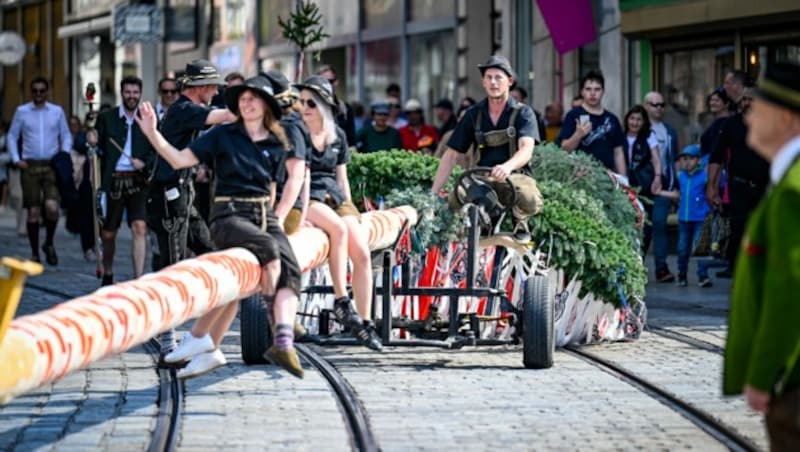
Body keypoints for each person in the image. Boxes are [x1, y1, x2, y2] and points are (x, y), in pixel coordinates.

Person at [137, 75, 305, 379]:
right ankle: (269, 325)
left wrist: (276, 217)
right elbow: (178, 159)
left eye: (254, 99)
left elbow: (274, 185)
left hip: (262, 214)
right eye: (243, 100)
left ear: (267, 105)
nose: (247, 104)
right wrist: (152, 133)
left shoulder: (277, 140)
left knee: (288, 267)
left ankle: (213, 344)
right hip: (228, 215)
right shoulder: (223, 135)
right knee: (266, 251)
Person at [723, 60, 800, 451]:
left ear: (786, 117)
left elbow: (789, 292)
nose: (749, 116)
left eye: (760, 108)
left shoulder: (792, 190)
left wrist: (766, 374)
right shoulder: (785, 179)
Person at [150, 59, 235, 360]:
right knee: (172, 268)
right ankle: (167, 341)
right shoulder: (185, 110)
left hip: (183, 194)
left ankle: (199, 332)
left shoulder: (188, 111)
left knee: (212, 255)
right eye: (213, 86)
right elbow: (222, 115)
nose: (215, 91)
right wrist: (255, 106)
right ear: (199, 88)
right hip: (167, 198)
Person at [296, 75, 383, 351]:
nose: (305, 107)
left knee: (362, 253)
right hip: (309, 195)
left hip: (335, 194)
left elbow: (342, 177)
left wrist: (349, 205)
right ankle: (342, 300)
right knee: (339, 229)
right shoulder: (296, 132)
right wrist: (300, 214)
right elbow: (298, 178)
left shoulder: (338, 135)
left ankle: (365, 324)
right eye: (301, 102)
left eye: (311, 102)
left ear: (325, 105)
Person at [431, 54, 543, 242]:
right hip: (482, 179)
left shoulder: (523, 112)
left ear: (510, 81)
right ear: (483, 82)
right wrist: (433, 194)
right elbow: (450, 155)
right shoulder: (474, 114)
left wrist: (507, 167)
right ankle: (457, 233)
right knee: (454, 199)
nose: (493, 82)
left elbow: (526, 149)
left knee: (530, 198)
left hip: (514, 177)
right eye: (489, 77)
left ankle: (520, 218)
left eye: (498, 77)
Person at [87, 76, 154, 285]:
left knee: (140, 227)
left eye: (135, 92)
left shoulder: (148, 118)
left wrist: (144, 163)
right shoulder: (107, 118)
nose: (131, 96)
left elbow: (157, 148)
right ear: (121, 93)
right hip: (113, 181)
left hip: (139, 181)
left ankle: (139, 280)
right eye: (128, 92)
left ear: (140, 93)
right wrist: (92, 139)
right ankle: (107, 273)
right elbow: (93, 146)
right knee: (108, 234)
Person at [7, 76, 73, 264]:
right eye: (35, 91)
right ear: (31, 92)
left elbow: (66, 135)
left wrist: (64, 155)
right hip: (30, 166)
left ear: (47, 92)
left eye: (41, 91)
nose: (38, 94)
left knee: (52, 208)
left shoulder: (56, 111)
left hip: (51, 165)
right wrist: (16, 159)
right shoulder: (22, 112)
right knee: (33, 212)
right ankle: (35, 253)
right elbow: (12, 136)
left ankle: (49, 243)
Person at [708, 84, 769, 279]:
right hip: (739, 185)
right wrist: (712, 188)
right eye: (743, 99)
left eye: (751, 99)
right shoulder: (730, 125)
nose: (746, 103)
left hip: (764, 186)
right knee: (739, 228)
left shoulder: (768, 124)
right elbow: (716, 158)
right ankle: (735, 266)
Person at [556, 70, 626, 174]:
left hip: (608, 177)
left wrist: (623, 180)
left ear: (603, 91)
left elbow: (618, 152)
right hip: (582, 177)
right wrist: (578, 135)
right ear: (582, 92)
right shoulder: (573, 115)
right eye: (588, 89)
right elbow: (564, 149)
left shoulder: (612, 119)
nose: (593, 93)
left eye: (597, 89)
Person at [644, 90, 681, 283]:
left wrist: (677, 186)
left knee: (659, 224)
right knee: (643, 228)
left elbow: (674, 160)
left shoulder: (669, 131)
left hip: (663, 186)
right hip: (642, 184)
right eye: (654, 104)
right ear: (646, 106)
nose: (659, 108)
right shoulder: (639, 128)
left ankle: (661, 267)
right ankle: (638, 265)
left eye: (661, 105)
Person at [622, 105, 662, 255]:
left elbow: (657, 159)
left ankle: (641, 256)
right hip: (624, 186)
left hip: (644, 186)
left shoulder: (649, 136)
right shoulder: (620, 135)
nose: (635, 122)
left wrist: (657, 177)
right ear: (627, 120)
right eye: (632, 118)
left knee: (645, 223)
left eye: (639, 119)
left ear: (644, 122)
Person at [671, 144, 709, 287]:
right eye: (684, 159)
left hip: (700, 218)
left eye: (691, 158)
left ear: (698, 160)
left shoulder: (704, 177)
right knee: (682, 248)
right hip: (684, 218)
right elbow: (677, 194)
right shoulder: (680, 176)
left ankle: (703, 275)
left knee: (699, 248)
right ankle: (682, 274)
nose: (687, 162)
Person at [317, 65, 356, 146]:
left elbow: (351, 141)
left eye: (330, 81)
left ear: (336, 82)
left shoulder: (345, 109)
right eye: (323, 81)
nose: (327, 85)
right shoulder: (309, 107)